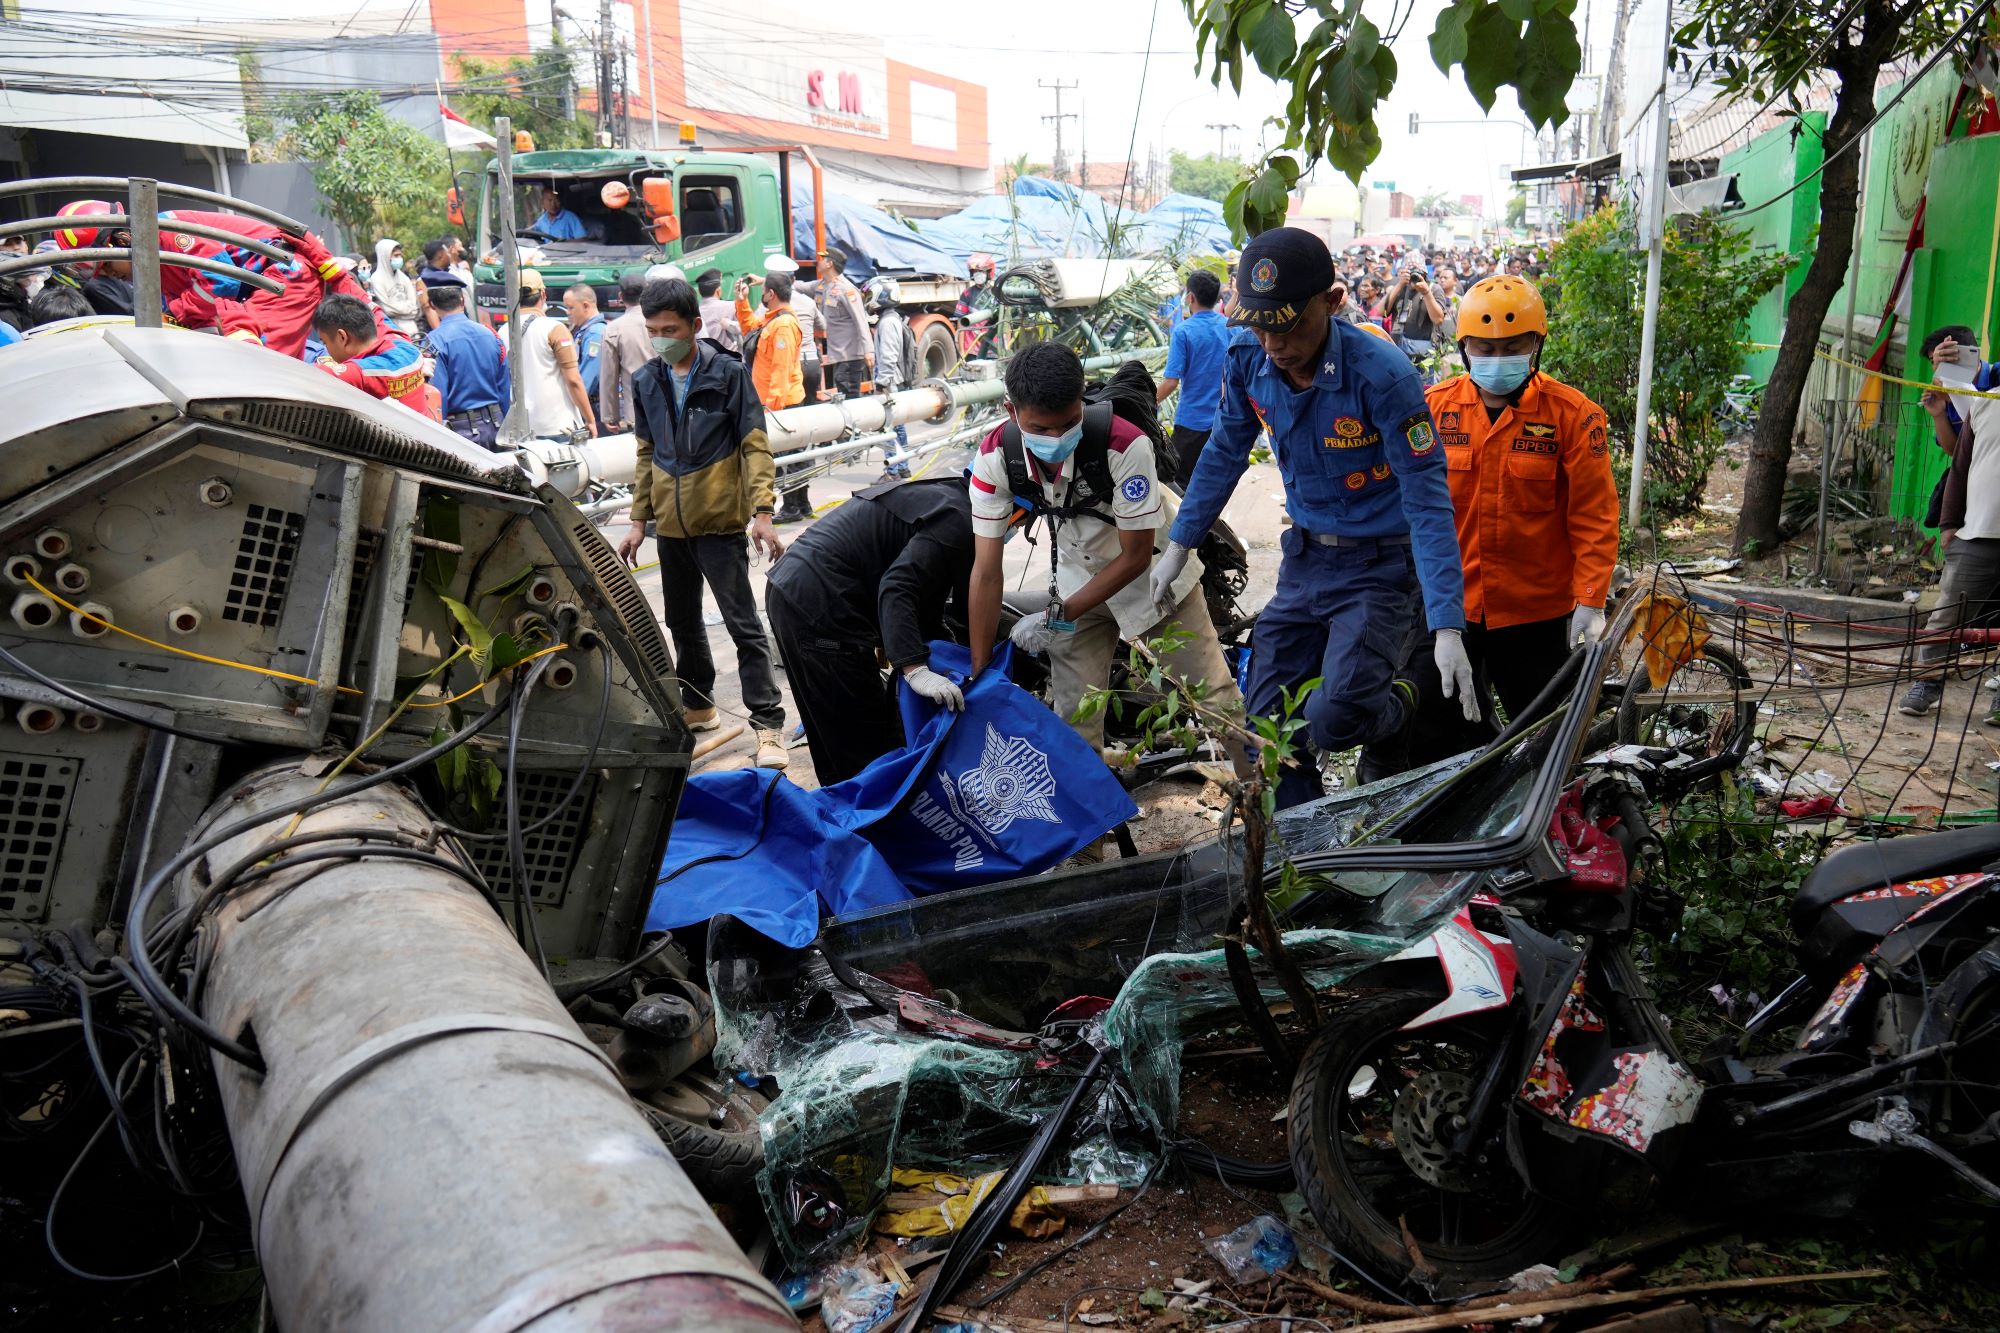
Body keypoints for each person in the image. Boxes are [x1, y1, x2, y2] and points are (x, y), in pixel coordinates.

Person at [1153, 226, 1473, 808]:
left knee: (1334, 719)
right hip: (1305, 559)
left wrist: (1446, 623)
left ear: (1332, 301)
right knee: (1269, 724)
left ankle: (1396, 702)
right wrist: (1180, 542)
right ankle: (1302, 841)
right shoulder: (1249, 357)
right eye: (1259, 324)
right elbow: (1226, 450)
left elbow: (1427, 496)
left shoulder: (1382, 375)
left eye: (1289, 324)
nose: (1273, 342)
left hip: (1378, 568)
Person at [966, 343, 1240, 765]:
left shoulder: (1123, 444)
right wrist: (980, 673)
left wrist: (1059, 616)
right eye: (1042, 428)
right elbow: (986, 572)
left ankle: (1264, 807)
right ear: (1011, 411)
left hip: (1154, 577)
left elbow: (1136, 555)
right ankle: (1092, 827)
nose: (1057, 439)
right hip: (1080, 579)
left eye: (1068, 424)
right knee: (1074, 720)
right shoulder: (994, 458)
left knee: (1216, 698)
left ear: (1082, 400)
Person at [1386, 274, 1617, 767]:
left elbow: (1594, 515)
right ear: (1465, 346)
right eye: (1484, 348)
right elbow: (1400, 500)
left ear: (1537, 343)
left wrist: (1591, 600)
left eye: (1512, 346)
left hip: (1535, 611)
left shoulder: (1573, 416)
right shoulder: (1433, 409)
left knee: (1544, 740)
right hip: (1450, 606)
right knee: (1429, 729)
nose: (1497, 359)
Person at [614, 277, 789, 768]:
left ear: (694, 326)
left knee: (743, 625)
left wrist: (763, 513)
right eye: (652, 330)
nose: (660, 338)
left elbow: (755, 445)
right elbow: (646, 456)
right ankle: (699, 705)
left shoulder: (728, 374)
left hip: (719, 526)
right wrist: (636, 521)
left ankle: (769, 725)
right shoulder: (647, 379)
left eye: (669, 328)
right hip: (671, 527)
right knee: (682, 623)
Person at [765, 477, 974, 784]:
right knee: (864, 744)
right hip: (821, 602)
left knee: (834, 732)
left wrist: (950, 648)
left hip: (791, 586)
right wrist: (914, 668)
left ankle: (849, 816)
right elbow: (898, 587)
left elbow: (923, 596)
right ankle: (870, 824)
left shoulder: (945, 495)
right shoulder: (961, 519)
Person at [52, 199, 363, 358]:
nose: (114, 276)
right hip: (257, 288)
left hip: (282, 276)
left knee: (264, 363)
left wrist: (179, 313)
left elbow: (218, 283)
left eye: (108, 268)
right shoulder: (156, 266)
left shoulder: (165, 233)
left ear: (119, 242)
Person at [1903, 326, 2000, 717]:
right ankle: (1927, 681)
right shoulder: (1986, 398)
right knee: (1947, 614)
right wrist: (1948, 526)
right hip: (1977, 532)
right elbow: (1959, 464)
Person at [1155, 270, 1229, 490]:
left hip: (1192, 423)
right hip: (1223, 422)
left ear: (1190, 298)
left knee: (1176, 484)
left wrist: (1145, 403)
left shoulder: (1184, 331)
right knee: (1210, 484)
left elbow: (1171, 382)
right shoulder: (1230, 328)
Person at [310, 293, 438, 420]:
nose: (325, 348)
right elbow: (377, 313)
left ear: (342, 337)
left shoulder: (363, 373)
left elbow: (305, 375)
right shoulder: (405, 345)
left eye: (325, 342)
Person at [422, 283, 510, 448]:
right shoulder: (491, 334)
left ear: (432, 305)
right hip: (497, 425)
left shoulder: (434, 341)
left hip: (461, 432)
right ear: (462, 300)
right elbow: (504, 387)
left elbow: (438, 396)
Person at [512, 269, 597, 440]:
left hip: (521, 427)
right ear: (543, 294)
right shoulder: (554, 329)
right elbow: (573, 380)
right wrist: (590, 419)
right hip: (558, 427)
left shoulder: (503, 331)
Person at [799, 248, 873, 401]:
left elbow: (861, 321)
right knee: (844, 396)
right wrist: (765, 280)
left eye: (822, 259)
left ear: (829, 264)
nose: (817, 262)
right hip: (838, 355)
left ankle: (857, 425)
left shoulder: (846, 289)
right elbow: (798, 286)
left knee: (850, 398)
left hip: (850, 356)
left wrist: (869, 351)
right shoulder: (822, 286)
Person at [735, 268, 807, 417]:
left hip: (781, 406)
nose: (762, 295)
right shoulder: (773, 319)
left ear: (771, 294)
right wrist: (742, 301)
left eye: (763, 291)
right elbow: (750, 329)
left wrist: (771, 411)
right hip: (770, 402)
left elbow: (781, 370)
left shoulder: (783, 325)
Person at [870, 279, 918, 479]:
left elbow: (888, 356)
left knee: (888, 427)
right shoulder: (893, 319)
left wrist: (881, 382)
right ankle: (902, 466)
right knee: (898, 427)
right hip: (896, 380)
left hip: (890, 383)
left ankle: (892, 471)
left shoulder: (888, 322)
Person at [598, 268, 653, 433]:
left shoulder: (614, 329)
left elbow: (609, 376)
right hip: (670, 411)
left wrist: (610, 416)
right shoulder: (663, 321)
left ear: (621, 297)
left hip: (636, 414)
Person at [1384, 256, 1448, 376]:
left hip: (1425, 352)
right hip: (1399, 347)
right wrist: (1399, 284)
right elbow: (1382, 312)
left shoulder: (1434, 289)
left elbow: (1438, 320)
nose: (1414, 278)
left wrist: (1426, 293)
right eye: (1410, 273)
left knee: (1424, 388)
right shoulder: (1401, 287)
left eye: (1418, 274)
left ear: (1424, 274)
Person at [563, 283, 607, 429]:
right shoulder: (584, 331)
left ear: (586, 305)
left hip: (593, 407)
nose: (568, 312)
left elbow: (587, 379)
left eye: (571, 307)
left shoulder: (595, 333)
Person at [696, 269, 740, 352]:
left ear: (699, 292)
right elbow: (745, 329)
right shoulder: (731, 306)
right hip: (733, 359)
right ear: (718, 291)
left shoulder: (695, 314)